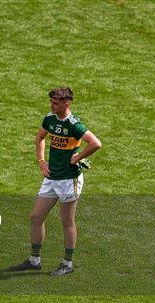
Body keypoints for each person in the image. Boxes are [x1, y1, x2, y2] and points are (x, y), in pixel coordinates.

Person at [12, 87, 102, 276]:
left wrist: (76, 158)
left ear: (66, 104)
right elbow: (40, 138)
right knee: (36, 217)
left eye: (55, 103)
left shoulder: (73, 124)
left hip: (69, 179)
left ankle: (67, 263)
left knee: (66, 220)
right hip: (52, 176)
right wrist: (41, 162)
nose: (51, 105)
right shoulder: (50, 119)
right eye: (51, 102)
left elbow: (95, 143)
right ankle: (34, 260)